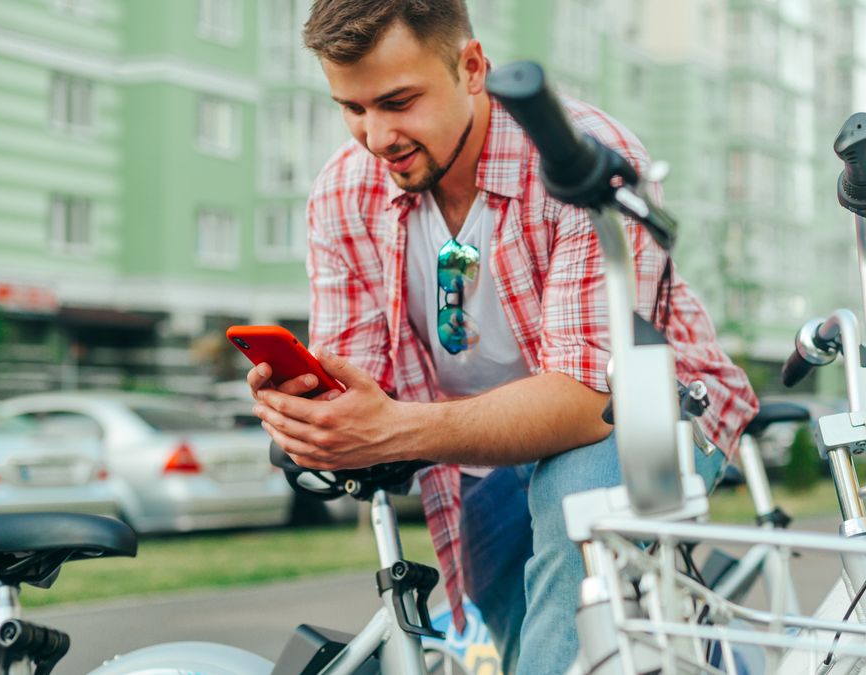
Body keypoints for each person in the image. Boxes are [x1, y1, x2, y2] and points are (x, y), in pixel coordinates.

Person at [247, 1, 758, 672]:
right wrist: (316, 417)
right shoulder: (343, 193)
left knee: (576, 541)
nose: (376, 136)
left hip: (637, 413)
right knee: (536, 650)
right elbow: (370, 388)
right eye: (353, 107)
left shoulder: (582, 162)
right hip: (473, 447)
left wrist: (391, 427)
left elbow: (585, 400)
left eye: (399, 101)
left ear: (472, 67)